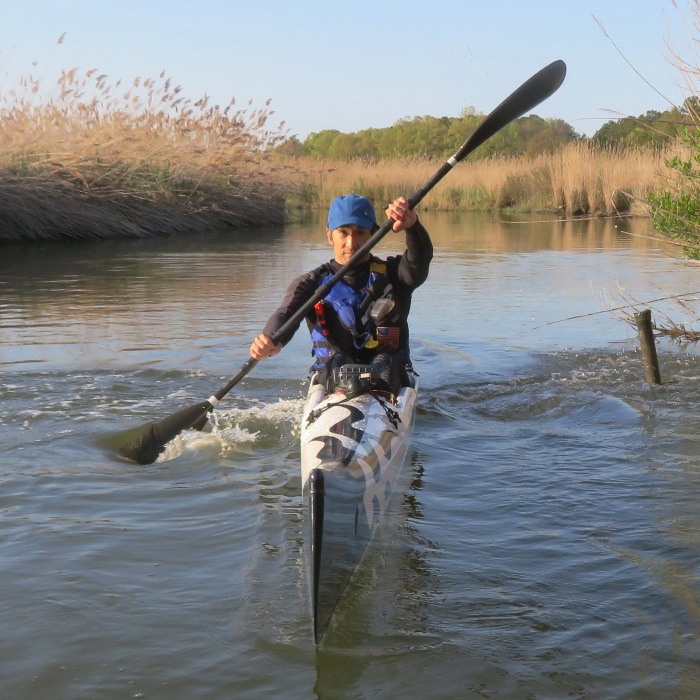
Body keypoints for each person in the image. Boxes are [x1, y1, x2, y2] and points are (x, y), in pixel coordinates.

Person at [249, 193, 432, 395]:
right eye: (343, 233)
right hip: (333, 378)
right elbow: (286, 313)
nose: (351, 243)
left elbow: (419, 262)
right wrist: (270, 338)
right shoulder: (310, 283)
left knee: (385, 363)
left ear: (374, 234)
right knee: (339, 363)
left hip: (390, 377)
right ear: (330, 235)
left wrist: (412, 226)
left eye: (360, 232)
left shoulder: (395, 275)